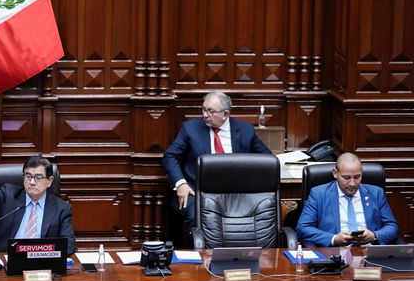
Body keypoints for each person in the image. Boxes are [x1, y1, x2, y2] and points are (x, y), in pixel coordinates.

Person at [162, 91, 272, 244]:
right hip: (197, 190)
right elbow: (170, 156)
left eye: (210, 111)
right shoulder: (190, 128)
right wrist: (181, 183)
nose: (205, 115)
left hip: (235, 191)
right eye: (203, 109)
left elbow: (267, 159)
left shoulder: (245, 130)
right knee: (194, 218)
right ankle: (193, 256)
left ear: (225, 114)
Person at [0, 155, 76, 256]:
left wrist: (43, 254)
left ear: (49, 181)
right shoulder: (9, 196)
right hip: (4, 262)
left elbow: (69, 244)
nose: (32, 182)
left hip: (41, 263)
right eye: (28, 176)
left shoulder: (61, 208)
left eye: (38, 177)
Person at [296, 152, 398, 246]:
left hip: (369, 252)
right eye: (346, 178)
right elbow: (303, 228)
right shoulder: (319, 194)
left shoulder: (376, 193)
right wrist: (334, 239)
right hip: (335, 253)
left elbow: (392, 227)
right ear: (335, 173)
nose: (352, 183)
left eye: (357, 177)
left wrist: (374, 236)